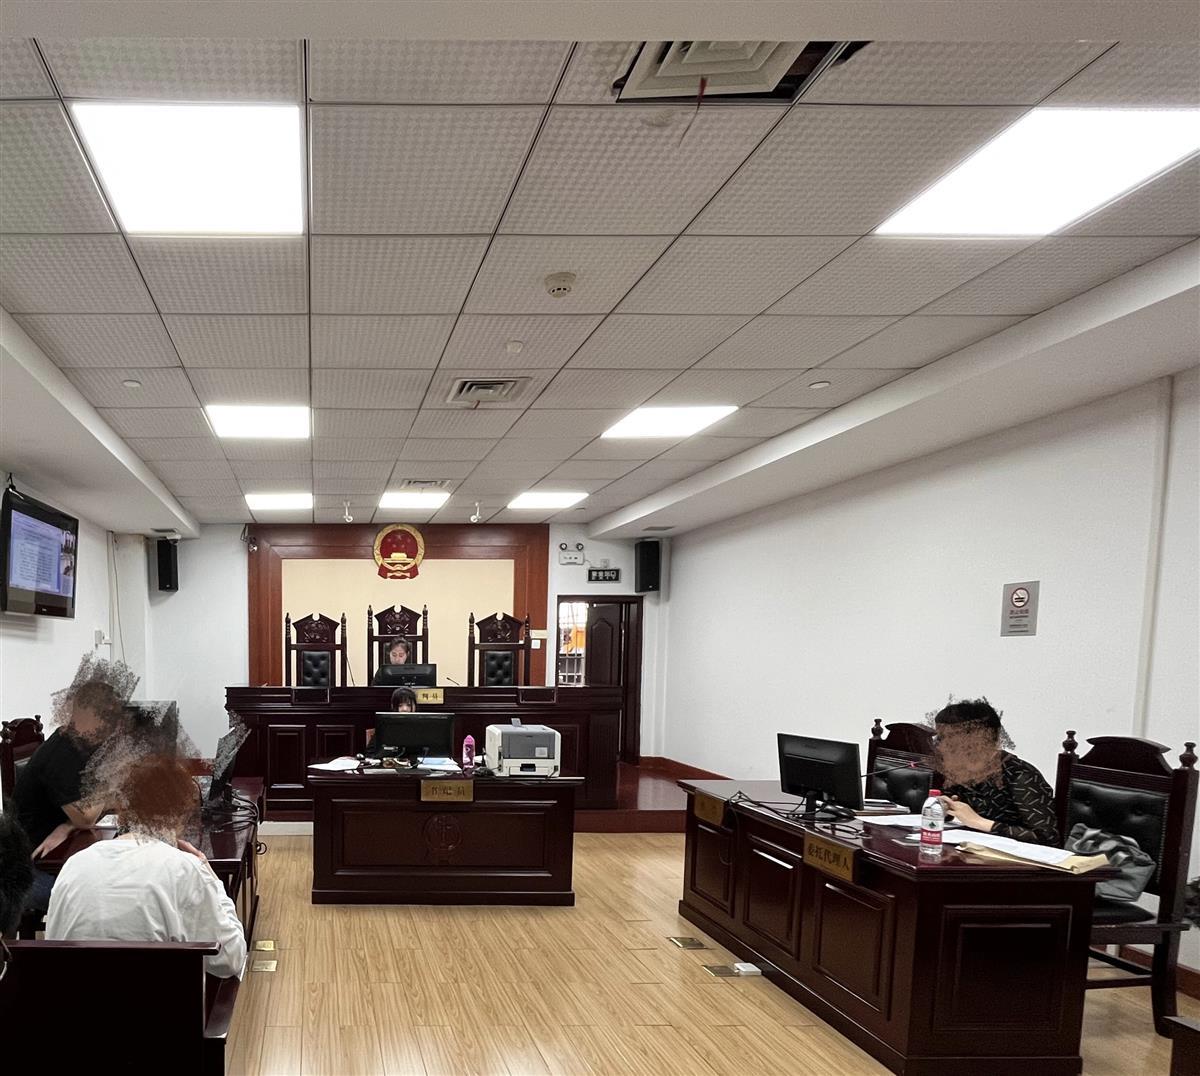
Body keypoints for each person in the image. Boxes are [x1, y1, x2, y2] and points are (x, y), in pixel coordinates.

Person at [45, 753, 246, 979]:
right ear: (179, 814)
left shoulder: (75, 864)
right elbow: (231, 959)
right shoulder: (185, 869)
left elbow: (53, 945)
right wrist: (212, 880)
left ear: (121, 811)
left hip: (70, 998)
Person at [13, 679, 124, 912]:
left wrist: (68, 825)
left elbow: (105, 804)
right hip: (31, 871)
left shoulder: (81, 744)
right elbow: (87, 816)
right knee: (108, 897)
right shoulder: (63, 753)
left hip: (57, 854)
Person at [932, 698, 1060, 846]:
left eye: (946, 738)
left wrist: (979, 822)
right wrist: (945, 808)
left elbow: (1047, 838)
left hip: (1010, 857)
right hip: (971, 848)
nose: (939, 745)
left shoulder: (1020, 775)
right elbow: (952, 810)